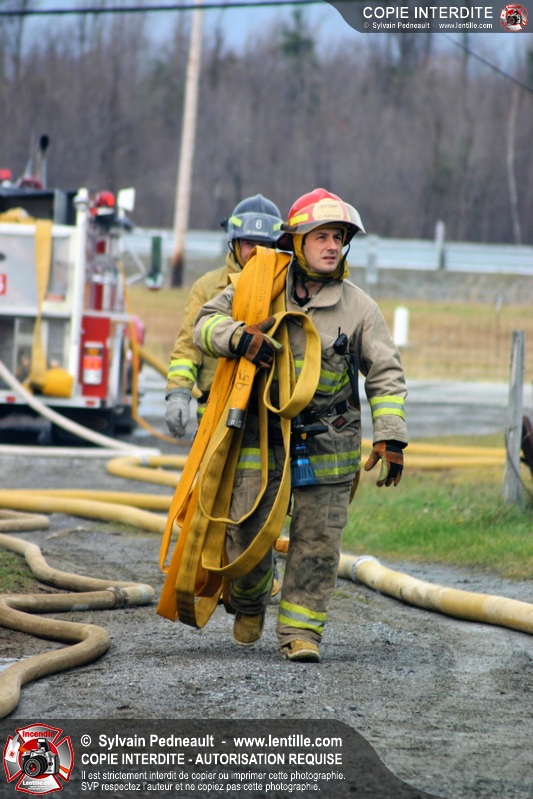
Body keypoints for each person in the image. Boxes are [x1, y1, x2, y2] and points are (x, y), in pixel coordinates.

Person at [193, 188, 408, 663]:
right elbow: (204, 325)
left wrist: (390, 435)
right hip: (261, 437)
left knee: (317, 544)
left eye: (339, 238)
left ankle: (301, 633)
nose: (332, 246)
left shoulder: (360, 309)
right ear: (296, 242)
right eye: (321, 236)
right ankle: (250, 599)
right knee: (245, 530)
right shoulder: (259, 286)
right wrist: (238, 337)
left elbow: (387, 374)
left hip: (328, 443)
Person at [164, 194, 284, 438]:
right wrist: (178, 394)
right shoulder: (208, 287)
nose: (256, 252)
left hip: (270, 416)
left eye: (264, 245)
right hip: (215, 413)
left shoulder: (286, 286)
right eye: (249, 244)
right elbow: (187, 347)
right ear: (235, 244)